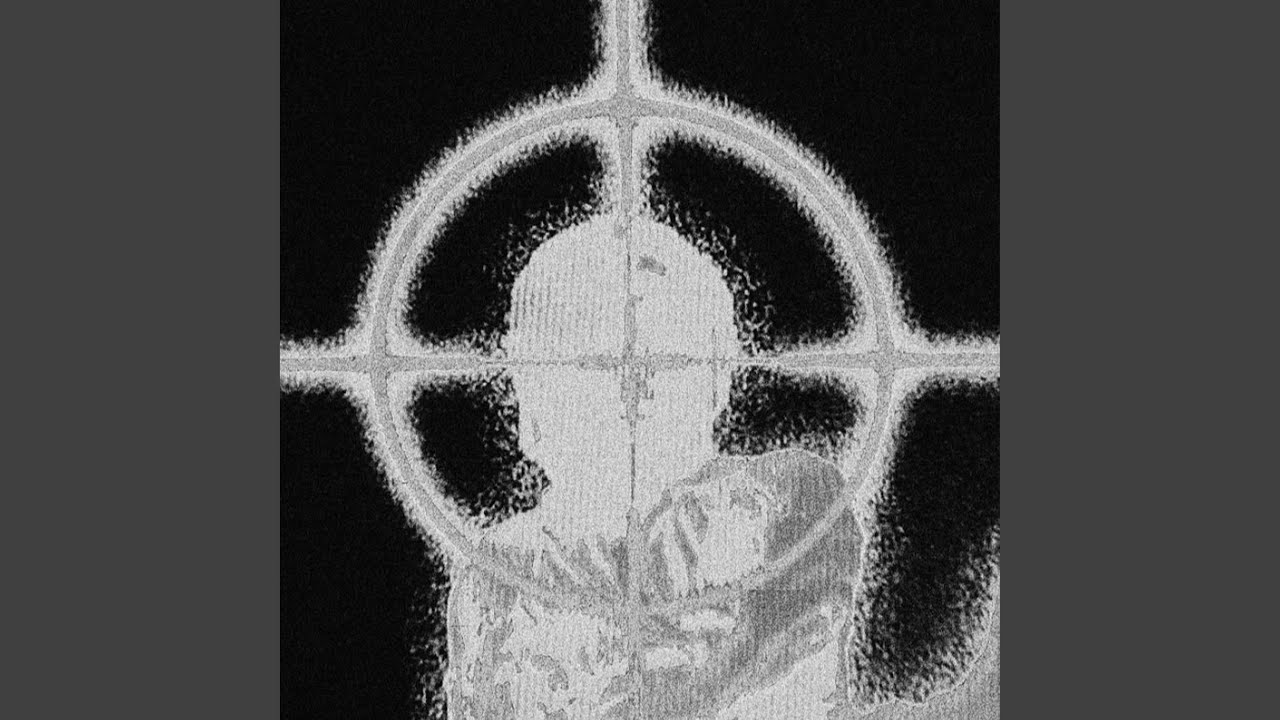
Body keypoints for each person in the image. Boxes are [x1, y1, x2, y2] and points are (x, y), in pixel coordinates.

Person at [444, 216, 861, 719]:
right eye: (596, 361)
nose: (634, 393)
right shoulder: (500, 568)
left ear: (717, 377)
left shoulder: (771, 528)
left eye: (660, 361)